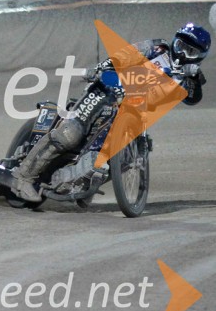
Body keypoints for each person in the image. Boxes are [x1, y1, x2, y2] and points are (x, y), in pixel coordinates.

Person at [12, 23, 210, 202]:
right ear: (175, 41)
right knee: (71, 134)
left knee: (124, 157)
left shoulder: (189, 77)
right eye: (181, 46)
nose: (183, 53)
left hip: (134, 113)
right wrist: (100, 68)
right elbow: (126, 55)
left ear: (199, 57)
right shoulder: (158, 48)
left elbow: (193, 98)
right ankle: (23, 177)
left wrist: (191, 77)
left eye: (191, 51)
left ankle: (81, 179)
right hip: (108, 91)